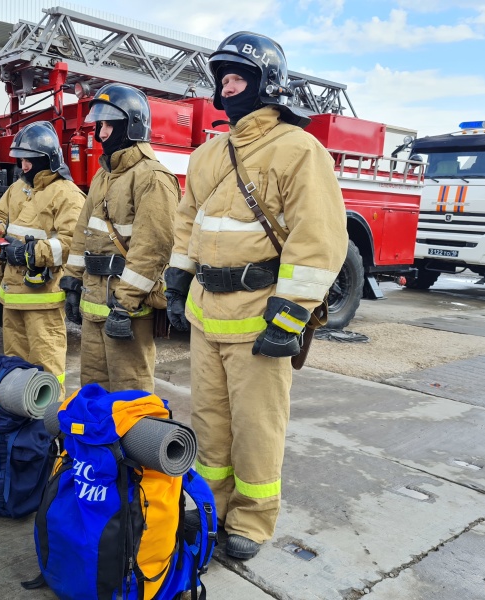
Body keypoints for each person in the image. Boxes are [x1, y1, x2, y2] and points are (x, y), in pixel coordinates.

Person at [165, 32, 348, 560]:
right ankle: (210, 506)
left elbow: (317, 239)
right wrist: (178, 281)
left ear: (269, 83)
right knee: (209, 421)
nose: (227, 84)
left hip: (260, 314)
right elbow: (188, 223)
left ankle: (252, 519)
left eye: (238, 74)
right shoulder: (207, 155)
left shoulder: (299, 150)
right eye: (222, 76)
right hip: (207, 312)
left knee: (258, 427)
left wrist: (289, 317)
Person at [60, 83, 180, 392]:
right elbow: (83, 231)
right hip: (94, 302)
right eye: (99, 124)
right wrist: (72, 280)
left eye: (109, 124)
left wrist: (124, 305)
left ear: (132, 125)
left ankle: (134, 443)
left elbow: (153, 249)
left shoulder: (152, 177)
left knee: (131, 393)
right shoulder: (103, 174)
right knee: (93, 390)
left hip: (127, 309)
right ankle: (98, 443)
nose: (100, 134)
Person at [0, 121, 84, 397]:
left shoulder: (67, 194)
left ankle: (48, 429)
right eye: (21, 160)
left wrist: (29, 253)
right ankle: (20, 427)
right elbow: (0, 216)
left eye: (29, 160)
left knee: (46, 371)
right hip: (12, 297)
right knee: (15, 370)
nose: (23, 166)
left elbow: (72, 244)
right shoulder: (17, 188)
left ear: (47, 159)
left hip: (43, 301)